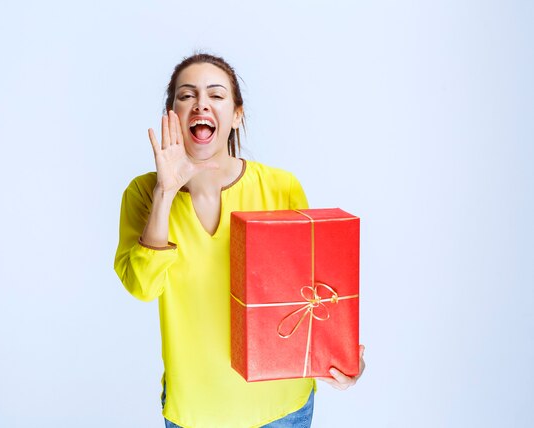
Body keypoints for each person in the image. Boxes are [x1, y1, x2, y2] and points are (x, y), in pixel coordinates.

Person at [114, 53, 365, 428]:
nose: (201, 103)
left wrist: (342, 355)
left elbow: (311, 289)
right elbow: (142, 286)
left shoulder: (281, 187)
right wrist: (166, 192)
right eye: (186, 96)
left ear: (236, 115)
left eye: (216, 95)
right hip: (196, 413)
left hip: (284, 406)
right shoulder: (144, 194)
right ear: (172, 116)